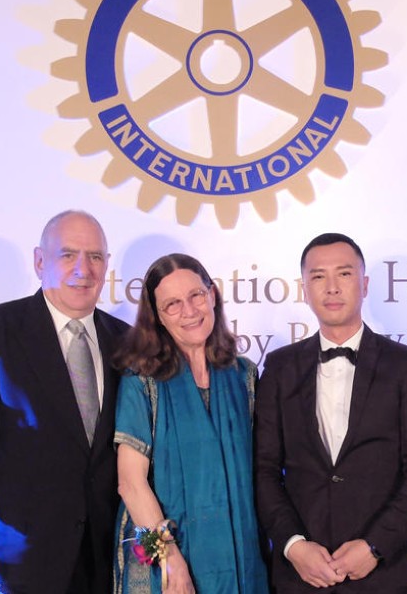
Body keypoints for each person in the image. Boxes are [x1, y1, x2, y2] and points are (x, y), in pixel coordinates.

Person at [0, 209, 130, 593]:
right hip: (21, 558)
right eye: (68, 255)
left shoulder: (125, 342)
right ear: (40, 261)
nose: (84, 268)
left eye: (95, 256)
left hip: (107, 560)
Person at [254, 233, 407, 593]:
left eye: (344, 274)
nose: (332, 287)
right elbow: (263, 470)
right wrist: (293, 546)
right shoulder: (279, 367)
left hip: (383, 572)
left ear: (365, 284)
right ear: (304, 289)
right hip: (300, 575)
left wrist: (375, 545)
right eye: (318, 276)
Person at [112, 253, 268, 593]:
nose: (190, 311)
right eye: (172, 304)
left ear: (212, 295)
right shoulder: (142, 381)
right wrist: (168, 557)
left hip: (242, 557)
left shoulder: (245, 376)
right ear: (158, 318)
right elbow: (130, 483)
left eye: (196, 296)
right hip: (167, 565)